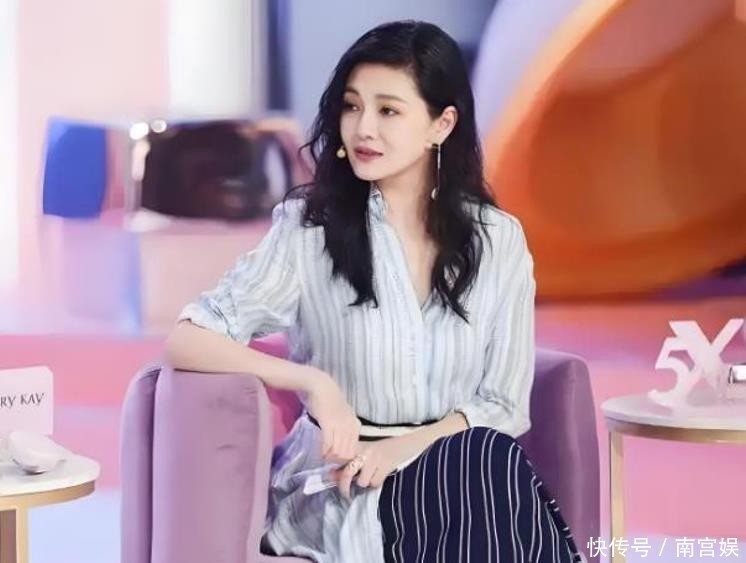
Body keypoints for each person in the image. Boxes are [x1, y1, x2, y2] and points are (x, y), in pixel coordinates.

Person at [165, 20, 584, 563]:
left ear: (441, 124)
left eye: (388, 110)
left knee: (482, 457)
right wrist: (312, 382)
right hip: (343, 487)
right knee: (488, 474)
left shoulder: (496, 240)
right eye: (352, 106)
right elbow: (188, 339)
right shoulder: (307, 231)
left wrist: (404, 449)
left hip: (461, 474)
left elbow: (503, 405)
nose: (363, 128)